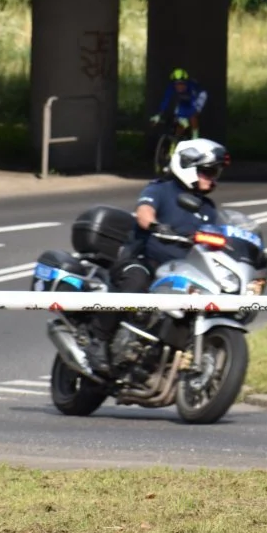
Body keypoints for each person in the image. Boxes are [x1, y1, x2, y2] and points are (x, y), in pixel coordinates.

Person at [86, 138, 228, 375]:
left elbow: (218, 236)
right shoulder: (160, 189)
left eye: (215, 172)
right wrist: (155, 225)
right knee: (136, 283)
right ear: (187, 165)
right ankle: (98, 342)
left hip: (179, 271)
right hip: (143, 260)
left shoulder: (208, 208)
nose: (212, 177)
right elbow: (144, 212)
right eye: (207, 171)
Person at [150, 68, 208, 140]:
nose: (179, 86)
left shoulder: (192, 87)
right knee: (181, 122)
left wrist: (186, 116)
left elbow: (193, 106)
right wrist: (158, 115)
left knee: (193, 115)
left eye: (181, 83)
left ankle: (195, 137)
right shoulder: (171, 87)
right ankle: (175, 142)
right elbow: (166, 101)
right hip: (185, 98)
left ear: (186, 82)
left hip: (199, 96)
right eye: (176, 84)